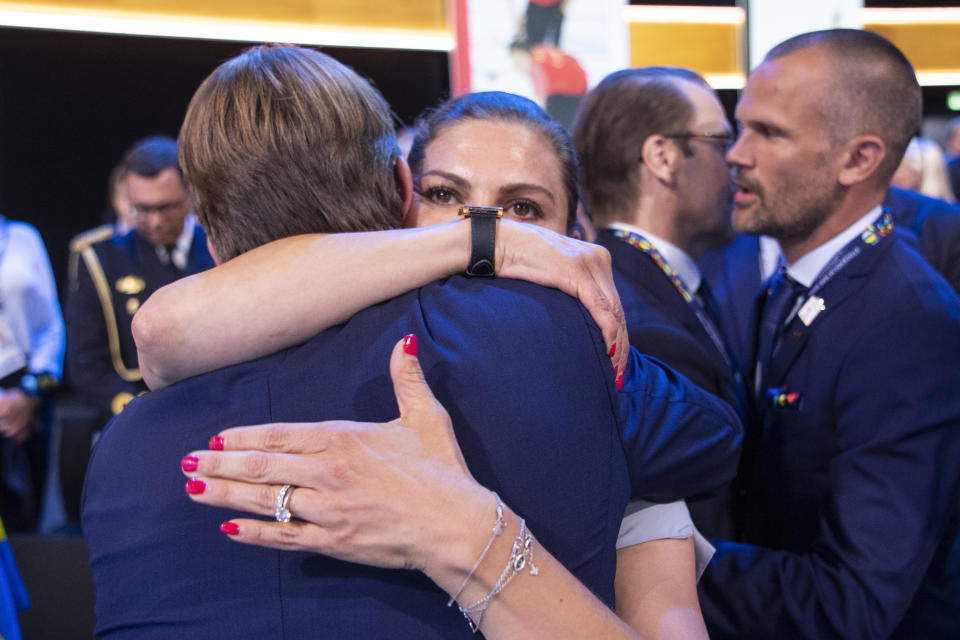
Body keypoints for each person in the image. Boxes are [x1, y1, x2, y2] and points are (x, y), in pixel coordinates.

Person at [83, 44, 739, 639]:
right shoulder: (542, 350)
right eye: (446, 195)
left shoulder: (122, 450)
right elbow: (712, 443)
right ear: (404, 197)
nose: (483, 230)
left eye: (525, 212)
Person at [692, 29, 960, 639]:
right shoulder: (803, 283)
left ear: (858, 160)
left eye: (771, 133)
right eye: (743, 126)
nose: (737, 153)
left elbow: (851, 604)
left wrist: (667, 559)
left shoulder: (911, 330)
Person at [65, 135, 214, 429]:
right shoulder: (101, 258)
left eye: (167, 207)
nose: (156, 221)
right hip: (139, 415)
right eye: (143, 210)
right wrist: (135, 412)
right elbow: (86, 364)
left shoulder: (219, 245)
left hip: (216, 405)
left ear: (190, 194)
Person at [0, 216, 63, 533]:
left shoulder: (23, 237)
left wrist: (30, 393)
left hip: (26, 388)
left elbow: (51, 327)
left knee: (27, 517)